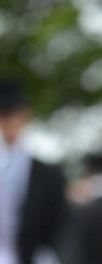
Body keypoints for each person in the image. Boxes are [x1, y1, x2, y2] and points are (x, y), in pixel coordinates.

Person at [0, 78, 67, 264]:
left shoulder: (46, 174)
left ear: (24, 116)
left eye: (10, 115)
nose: (5, 123)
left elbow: (56, 225)